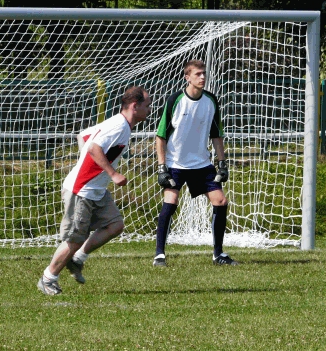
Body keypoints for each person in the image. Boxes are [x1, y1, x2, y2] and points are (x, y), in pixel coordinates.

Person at [38, 86, 152, 295]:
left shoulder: (121, 124)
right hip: (82, 189)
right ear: (135, 106)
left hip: (96, 190)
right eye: (147, 106)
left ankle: (77, 259)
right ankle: (48, 278)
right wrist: (112, 173)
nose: (150, 110)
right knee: (74, 239)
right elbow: (93, 147)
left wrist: (89, 165)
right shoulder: (119, 126)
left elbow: (84, 136)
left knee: (115, 225)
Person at [153, 59, 238, 267]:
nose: (202, 77)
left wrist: (222, 163)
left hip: (202, 164)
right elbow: (161, 136)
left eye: (204, 73)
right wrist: (161, 167)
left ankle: (218, 254)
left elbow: (216, 134)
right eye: (197, 74)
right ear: (187, 77)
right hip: (176, 163)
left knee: (220, 201)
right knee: (171, 202)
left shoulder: (211, 101)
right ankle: (159, 255)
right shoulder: (175, 100)